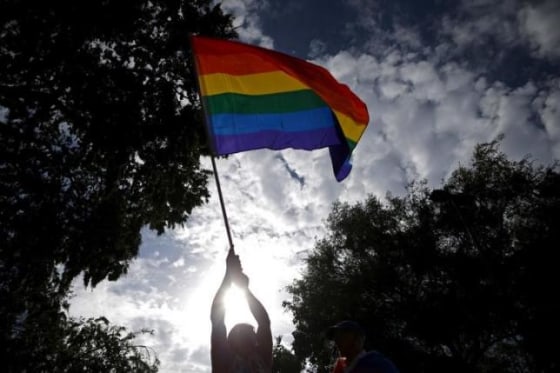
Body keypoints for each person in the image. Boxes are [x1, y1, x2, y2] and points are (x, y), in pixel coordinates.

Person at [211, 248, 272, 373]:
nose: (252, 334)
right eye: (246, 333)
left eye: (251, 333)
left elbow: (264, 322)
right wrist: (229, 275)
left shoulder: (261, 359)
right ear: (232, 342)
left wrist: (244, 289)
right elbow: (217, 320)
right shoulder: (225, 362)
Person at [326, 320, 399, 373]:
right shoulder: (341, 369)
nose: (336, 341)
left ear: (358, 339)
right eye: (335, 337)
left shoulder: (377, 364)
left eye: (342, 335)